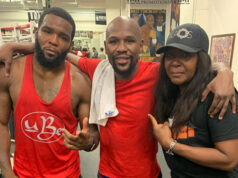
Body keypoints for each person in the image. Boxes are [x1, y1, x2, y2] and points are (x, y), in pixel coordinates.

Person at [0, 17, 236, 178]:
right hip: (106, 173)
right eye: (114, 41)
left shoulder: (157, 74)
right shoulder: (98, 69)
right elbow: (60, 51)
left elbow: (194, 65)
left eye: (129, 41)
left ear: (140, 45)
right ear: (105, 46)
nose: (121, 48)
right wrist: (13, 45)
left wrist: (224, 72)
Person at [0, 7, 99, 178]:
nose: (53, 41)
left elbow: (90, 134)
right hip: (21, 174)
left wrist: (87, 141)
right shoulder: (10, 71)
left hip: (68, 174)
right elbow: (1, 124)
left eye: (63, 37)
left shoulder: (81, 82)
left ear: (70, 44)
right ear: (36, 32)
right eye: (47, 31)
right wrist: (7, 171)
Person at [149, 23, 238, 178]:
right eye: (170, 56)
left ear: (201, 59)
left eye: (185, 56)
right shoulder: (170, 92)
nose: (175, 62)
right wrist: (223, 68)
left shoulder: (215, 95)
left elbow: (228, 159)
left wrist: (170, 144)